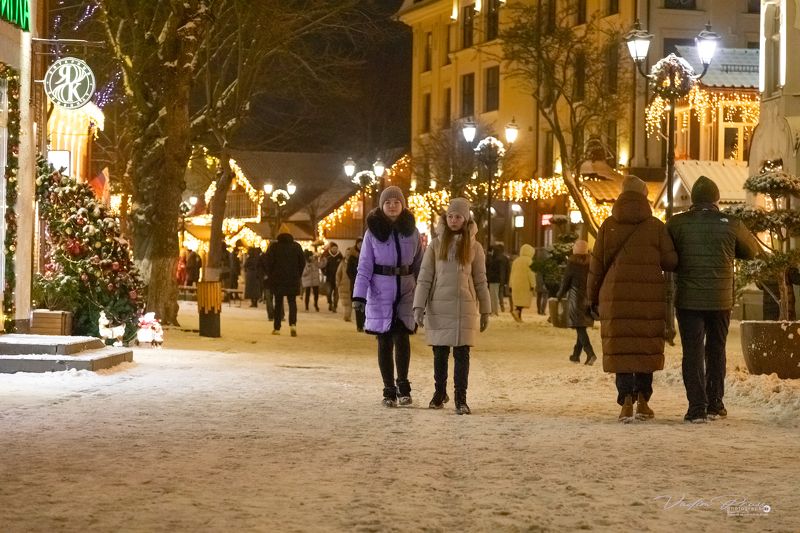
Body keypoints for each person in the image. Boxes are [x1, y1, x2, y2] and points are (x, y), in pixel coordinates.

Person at [666, 176, 760, 423]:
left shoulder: (677, 224)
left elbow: (668, 256)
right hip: (720, 300)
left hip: (688, 300)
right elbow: (751, 251)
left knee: (693, 352)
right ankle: (715, 403)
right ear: (717, 199)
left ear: (693, 199)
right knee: (716, 350)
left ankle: (696, 407)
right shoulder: (731, 223)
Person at [588, 176, 678, 423]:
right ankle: (644, 401)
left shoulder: (608, 226)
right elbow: (671, 261)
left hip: (615, 297)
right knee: (644, 347)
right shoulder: (656, 227)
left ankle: (626, 401)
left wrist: (591, 298)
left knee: (623, 348)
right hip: (649, 298)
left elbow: (596, 267)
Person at [413, 198, 491, 415]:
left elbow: (480, 280)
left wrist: (485, 309)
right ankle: (439, 392)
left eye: (458, 216)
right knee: (439, 353)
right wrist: (418, 306)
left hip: (463, 308)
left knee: (462, 354)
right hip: (438, 305)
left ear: (465, 219)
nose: (453, 220)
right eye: (450, 216)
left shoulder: (474, 247)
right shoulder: (435, 245)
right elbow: (425, 277)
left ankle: (460, 397)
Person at [352, 186, 423, 407]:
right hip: (380, 291)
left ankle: (403, 386)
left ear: (403, 205)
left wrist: (423, 293)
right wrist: (359, 297)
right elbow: (364, 267)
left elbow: (420, 264)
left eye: (396, 202)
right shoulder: (372, 233)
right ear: (381, 206)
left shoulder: (412, 232)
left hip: (406, 290)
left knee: (402, 338)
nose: (392, 206)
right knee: (384, 341)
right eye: (388, 202)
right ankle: (388, 389)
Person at [557, 240, 597, 366]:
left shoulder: (572, 262)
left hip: (576, 298)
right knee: (582, 326)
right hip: (589, 298)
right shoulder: (592, 262)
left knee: (580, 327)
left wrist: (559, 295)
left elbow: (566, 281)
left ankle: (590, 353)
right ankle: (575, 355)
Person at [263, 230, 306, 336]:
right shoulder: (296, 247)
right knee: (292, 303)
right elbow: (302, 262)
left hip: (278, 279)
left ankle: (277, 328)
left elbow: (268, 262)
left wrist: (271, 274)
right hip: (293, 279)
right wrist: (297, 274)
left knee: (278, 303)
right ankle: (293, 325)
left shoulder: (274, 247)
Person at [509, 244, 536, 322]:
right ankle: (517, 312)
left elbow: (512, 273)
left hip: (515, 284)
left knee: (518, 301)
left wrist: (510, 285)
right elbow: (531, 274)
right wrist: (533, 284)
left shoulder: (516, 261)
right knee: (523, 301)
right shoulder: (529, 261)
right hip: (525, 285)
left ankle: (519, 316)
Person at [347, 238, 365, 332]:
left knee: (366, 304)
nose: (361, 245)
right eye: (359, 244)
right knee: (358, 304)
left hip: (366, 284)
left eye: (362, 243)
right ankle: (359, 325)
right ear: (356, 245)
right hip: (356, 283)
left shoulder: (367, 255)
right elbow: (348, 271)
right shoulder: (352, 257)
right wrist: (354, 279)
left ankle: (365, 323)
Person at [486, 244, 509, 316]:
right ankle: (500, 308)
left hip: (494, 279)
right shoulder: (505, 258)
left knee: (493, 295)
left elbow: (489, 268)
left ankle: (494, 310)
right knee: (500, 294)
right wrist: (506, 280)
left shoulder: (494, 258)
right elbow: (507, 270)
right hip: (501, 279)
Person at [336, 244, 357, 322]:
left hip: (352, 285)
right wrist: (338, 282)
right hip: (343, 285)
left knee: (350, 303)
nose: (348, 255)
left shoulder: (354, 263)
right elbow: (338, 274)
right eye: (347, 254)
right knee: (347, 303)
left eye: (349, 254)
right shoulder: (342, 263)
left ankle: (347, 316)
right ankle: (347, 316)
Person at [321, 242, 344, 312]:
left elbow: (343, 266)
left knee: (336, 293)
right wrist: (324, 272)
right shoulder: (327, 256)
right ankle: (330, 303)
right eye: (333, 248)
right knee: (328, 292)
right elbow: (322, 265)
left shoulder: (340, 256)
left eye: (336, 248)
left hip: (337, 279)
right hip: (329, 278)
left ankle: (335, 306)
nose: (335, 250)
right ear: (330, 249)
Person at [534, 248, 550, 315]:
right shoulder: (547, 264)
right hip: (544, 282)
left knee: (539, 297)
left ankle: (538, 310)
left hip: (538, 282)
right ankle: (543, 311)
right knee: (545, 297)